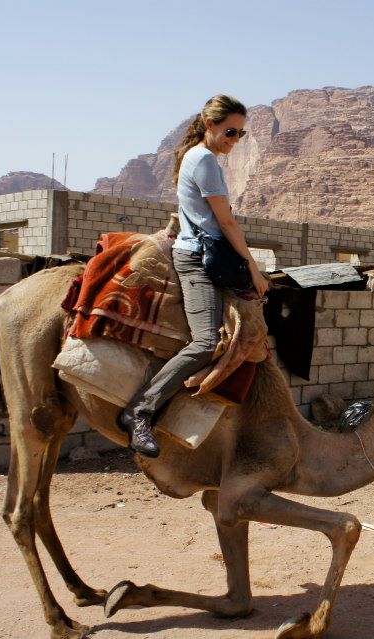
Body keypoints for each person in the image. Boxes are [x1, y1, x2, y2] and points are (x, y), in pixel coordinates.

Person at [118, 94, 269, 457]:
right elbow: (226, 221)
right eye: (230, 132)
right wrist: (252, 266)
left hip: (208, 256)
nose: (234, 140)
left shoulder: (201, 158)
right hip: (200, 260)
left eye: (241, 135)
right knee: (204, 342)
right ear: (210, 125)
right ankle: (141, 410)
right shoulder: (203, 159)